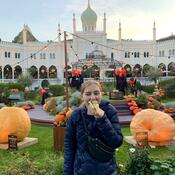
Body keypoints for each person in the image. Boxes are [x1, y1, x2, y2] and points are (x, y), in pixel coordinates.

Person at [64, 80, 123, 175]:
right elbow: (69, 147)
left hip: (107, 170)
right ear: (82, 96)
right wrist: (67, 172)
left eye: (96, 93)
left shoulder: (110, 111)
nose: (92, 97)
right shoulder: (75, 115)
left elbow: (116, 142)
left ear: (101, 94)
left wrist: (102, 119)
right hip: (82, 171)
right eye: (88, 94)